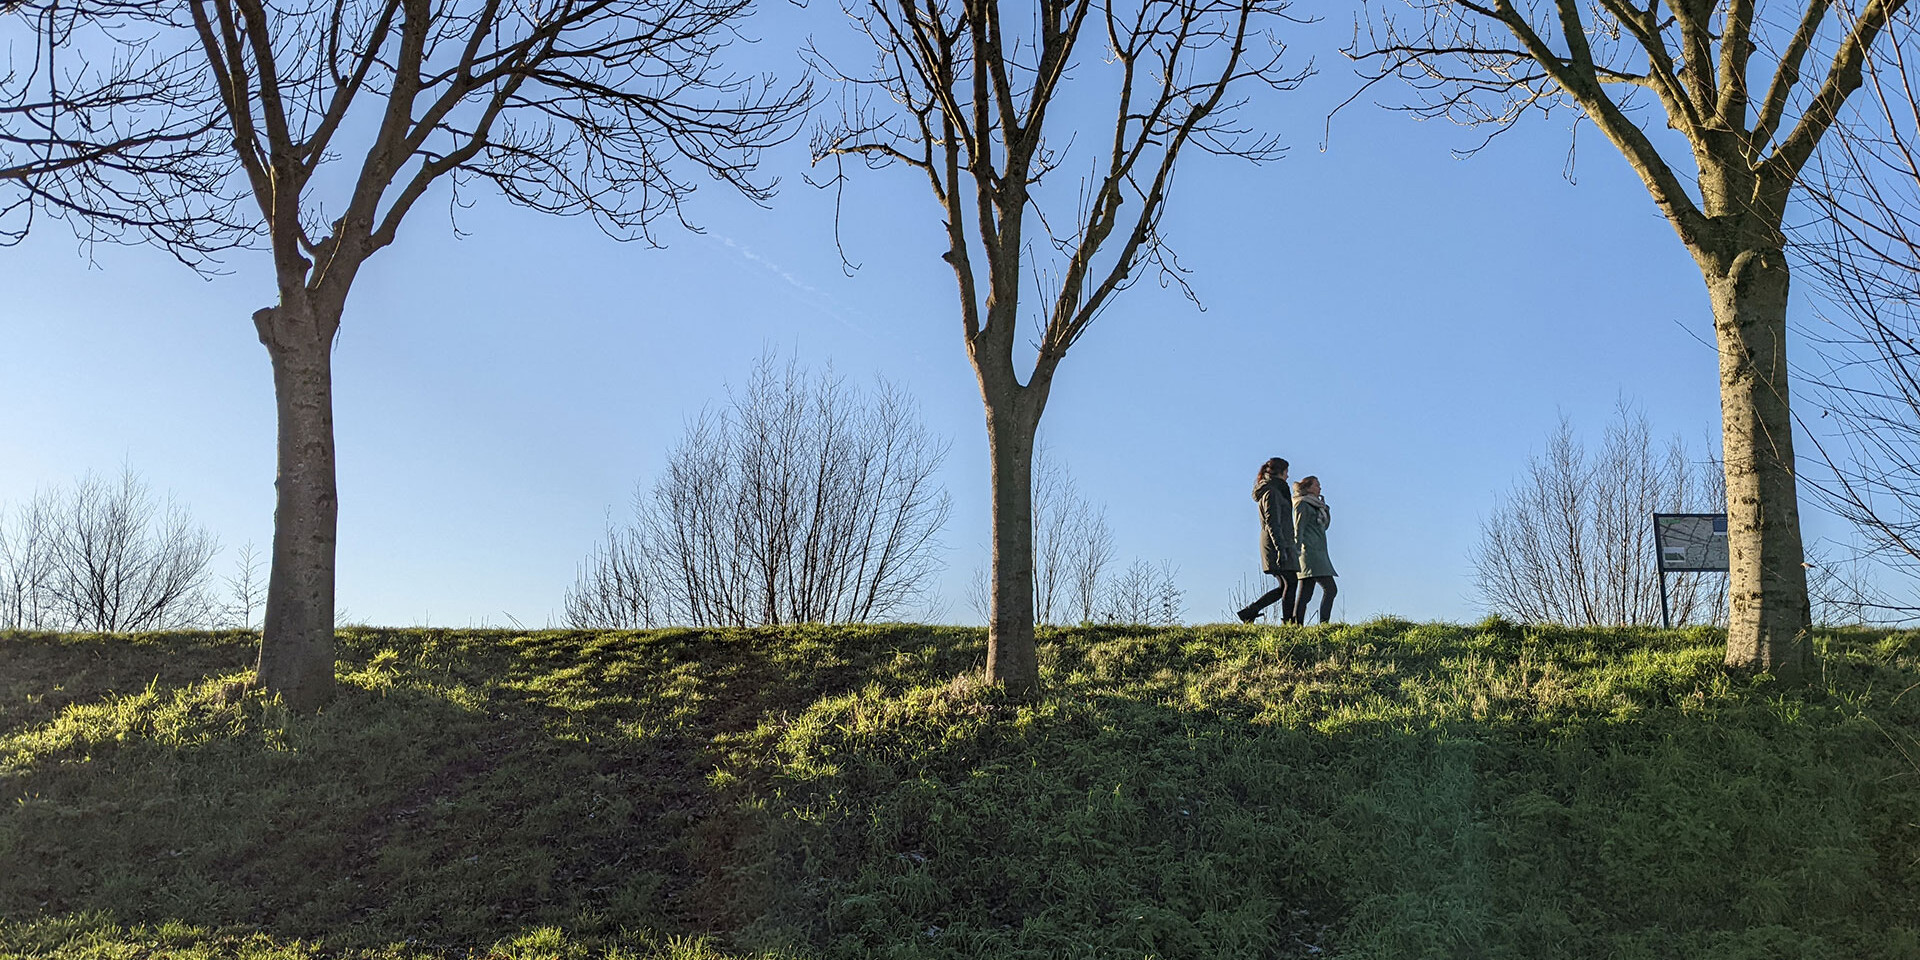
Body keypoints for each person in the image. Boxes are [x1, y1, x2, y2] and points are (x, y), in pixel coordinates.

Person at [1237, 457, 1300, 624]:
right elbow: (1273, 522)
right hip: (1276, 543)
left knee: (1285, 585)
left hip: (1279, 541)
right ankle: (1288, 622)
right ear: (1279, 472)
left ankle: (1250, 611)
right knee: (1290, 582)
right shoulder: (1272, 492)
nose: (1288, 476)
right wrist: (1280, 548)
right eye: (1286, 472)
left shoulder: (1275, 490)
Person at [1291, 475, 1338, 624]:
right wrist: (1296, 551)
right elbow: (1298, 529)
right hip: (1310, 554)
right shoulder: (1302, 505)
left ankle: (1296, 625)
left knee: (1305, 594)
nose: (1320, 488)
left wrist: (1325, 510)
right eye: (1317, 485)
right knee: (1330, 589)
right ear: (1308, 488)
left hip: (1318, 553)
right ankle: (1323, 623)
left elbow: (1324, 527)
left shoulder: (1316, 506)